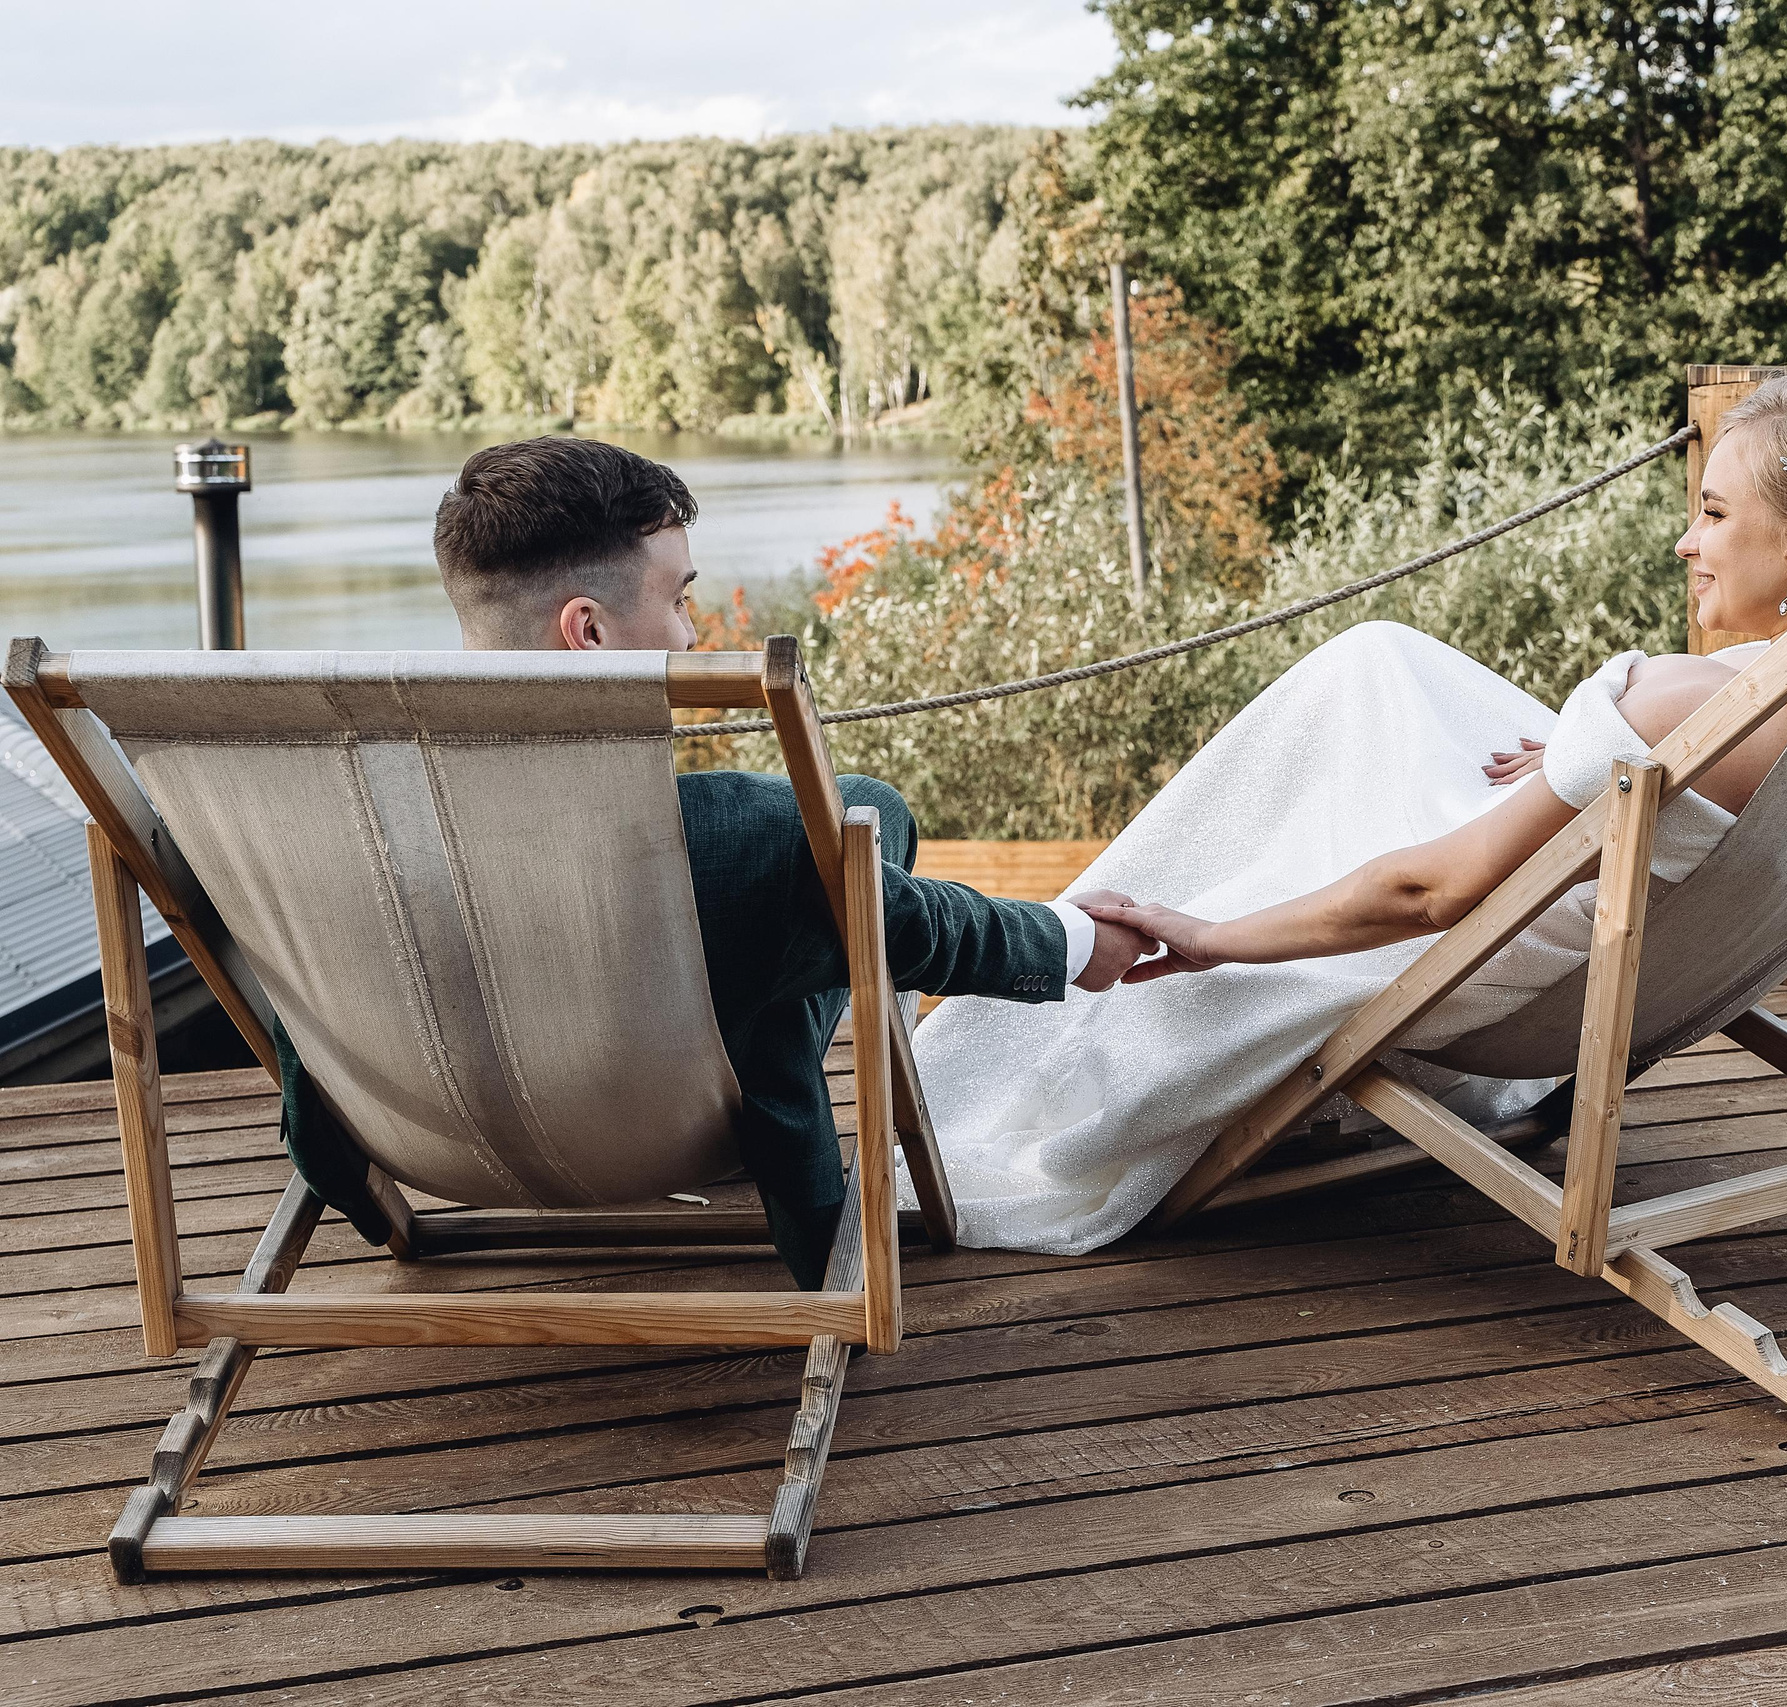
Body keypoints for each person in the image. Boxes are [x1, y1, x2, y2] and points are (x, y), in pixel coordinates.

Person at [914, 370, 1787, 1254]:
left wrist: (1211, 941)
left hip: (1483, 941)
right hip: (1594, 889)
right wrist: (1573, 761)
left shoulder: (1693, 711)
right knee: (1383, 668)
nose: (1685, 545)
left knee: (1341, 704)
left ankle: (1059, 967)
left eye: (1712, 513)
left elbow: (1429, 893)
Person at [276, 436, 1156, 1288]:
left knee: (838, 833)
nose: (692, 636)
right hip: (646, 1129)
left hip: (428, 1131)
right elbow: (910, 926)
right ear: (586, 630)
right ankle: (812, 1222)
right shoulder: (738, 841)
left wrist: (349, 1176)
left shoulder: (319, 827)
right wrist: (1073, 941)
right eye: (679, 599)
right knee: (849, 838)